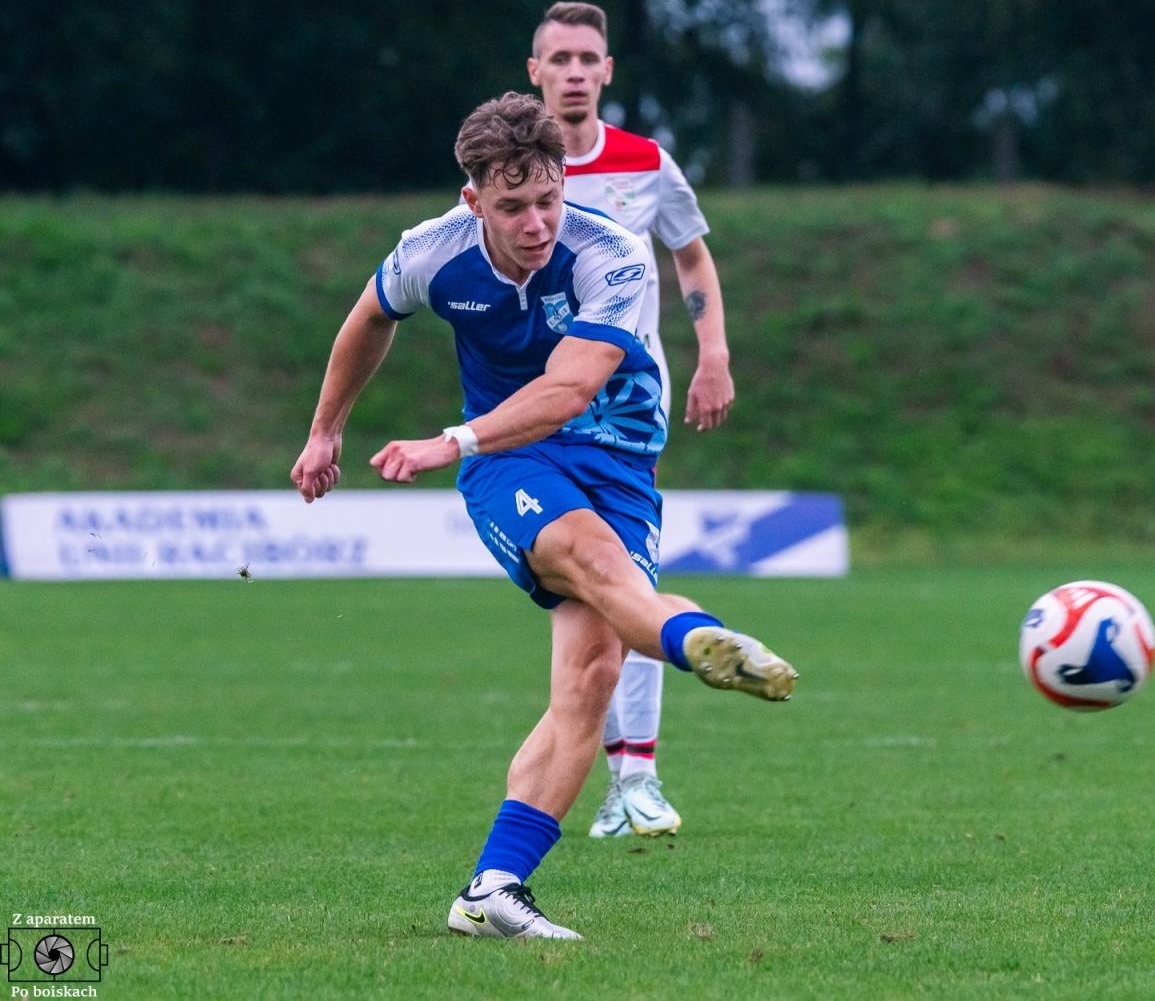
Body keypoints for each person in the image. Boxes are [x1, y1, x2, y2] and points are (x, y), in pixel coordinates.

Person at [289, 92, 796, 941]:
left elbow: (568, 390)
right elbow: (370, 316)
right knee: (593, 559)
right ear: (473, 201)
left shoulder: (613, 252)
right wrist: (324, 431)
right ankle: (694, 641)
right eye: (514, 205)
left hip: (618, 460)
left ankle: (493, 889)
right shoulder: (432, 252)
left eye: (550, 199)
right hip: (510, 460)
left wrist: (446, 439)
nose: (536, 223)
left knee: (590, 678)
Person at [528, 1, 735, 840]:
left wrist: (712, 352)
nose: (576, 71)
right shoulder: (511, 171)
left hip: (622, 407)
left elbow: (689, 251)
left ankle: (636, 778)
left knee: (627, 586)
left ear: (607, 71)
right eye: (560, 58)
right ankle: (615, 778)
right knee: (591, 605)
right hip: (540, 404)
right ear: (534, 72)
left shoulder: (646, 163)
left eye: (589, 58)